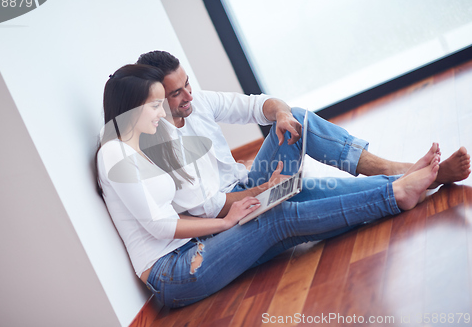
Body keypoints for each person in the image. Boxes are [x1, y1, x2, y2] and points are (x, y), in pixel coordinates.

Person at [96, 63, 442, 309]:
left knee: (290, 201)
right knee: (278, 218)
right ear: (132, 109)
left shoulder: (136, 141)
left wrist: (279, 119)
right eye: (157, 104)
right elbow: (159, 224)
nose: (164, 110)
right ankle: (396, 193)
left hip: (197, 244)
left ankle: (401, 181)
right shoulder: (115, 152)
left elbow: (255, 104)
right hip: (173, 272)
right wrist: (229, 221)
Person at [136, 51, 471, 216]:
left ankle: (399, 172)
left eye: (187, 84)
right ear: (155, 100)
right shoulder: (160, 142)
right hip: (236, 207)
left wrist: (280, 113)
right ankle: (422, 177)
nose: (189, 95)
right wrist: (265, 188)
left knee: (296, 117)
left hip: (249, 182)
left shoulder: (199, 102)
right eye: (176, 93)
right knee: (328, 195)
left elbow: (260, 105)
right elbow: (210, 209)